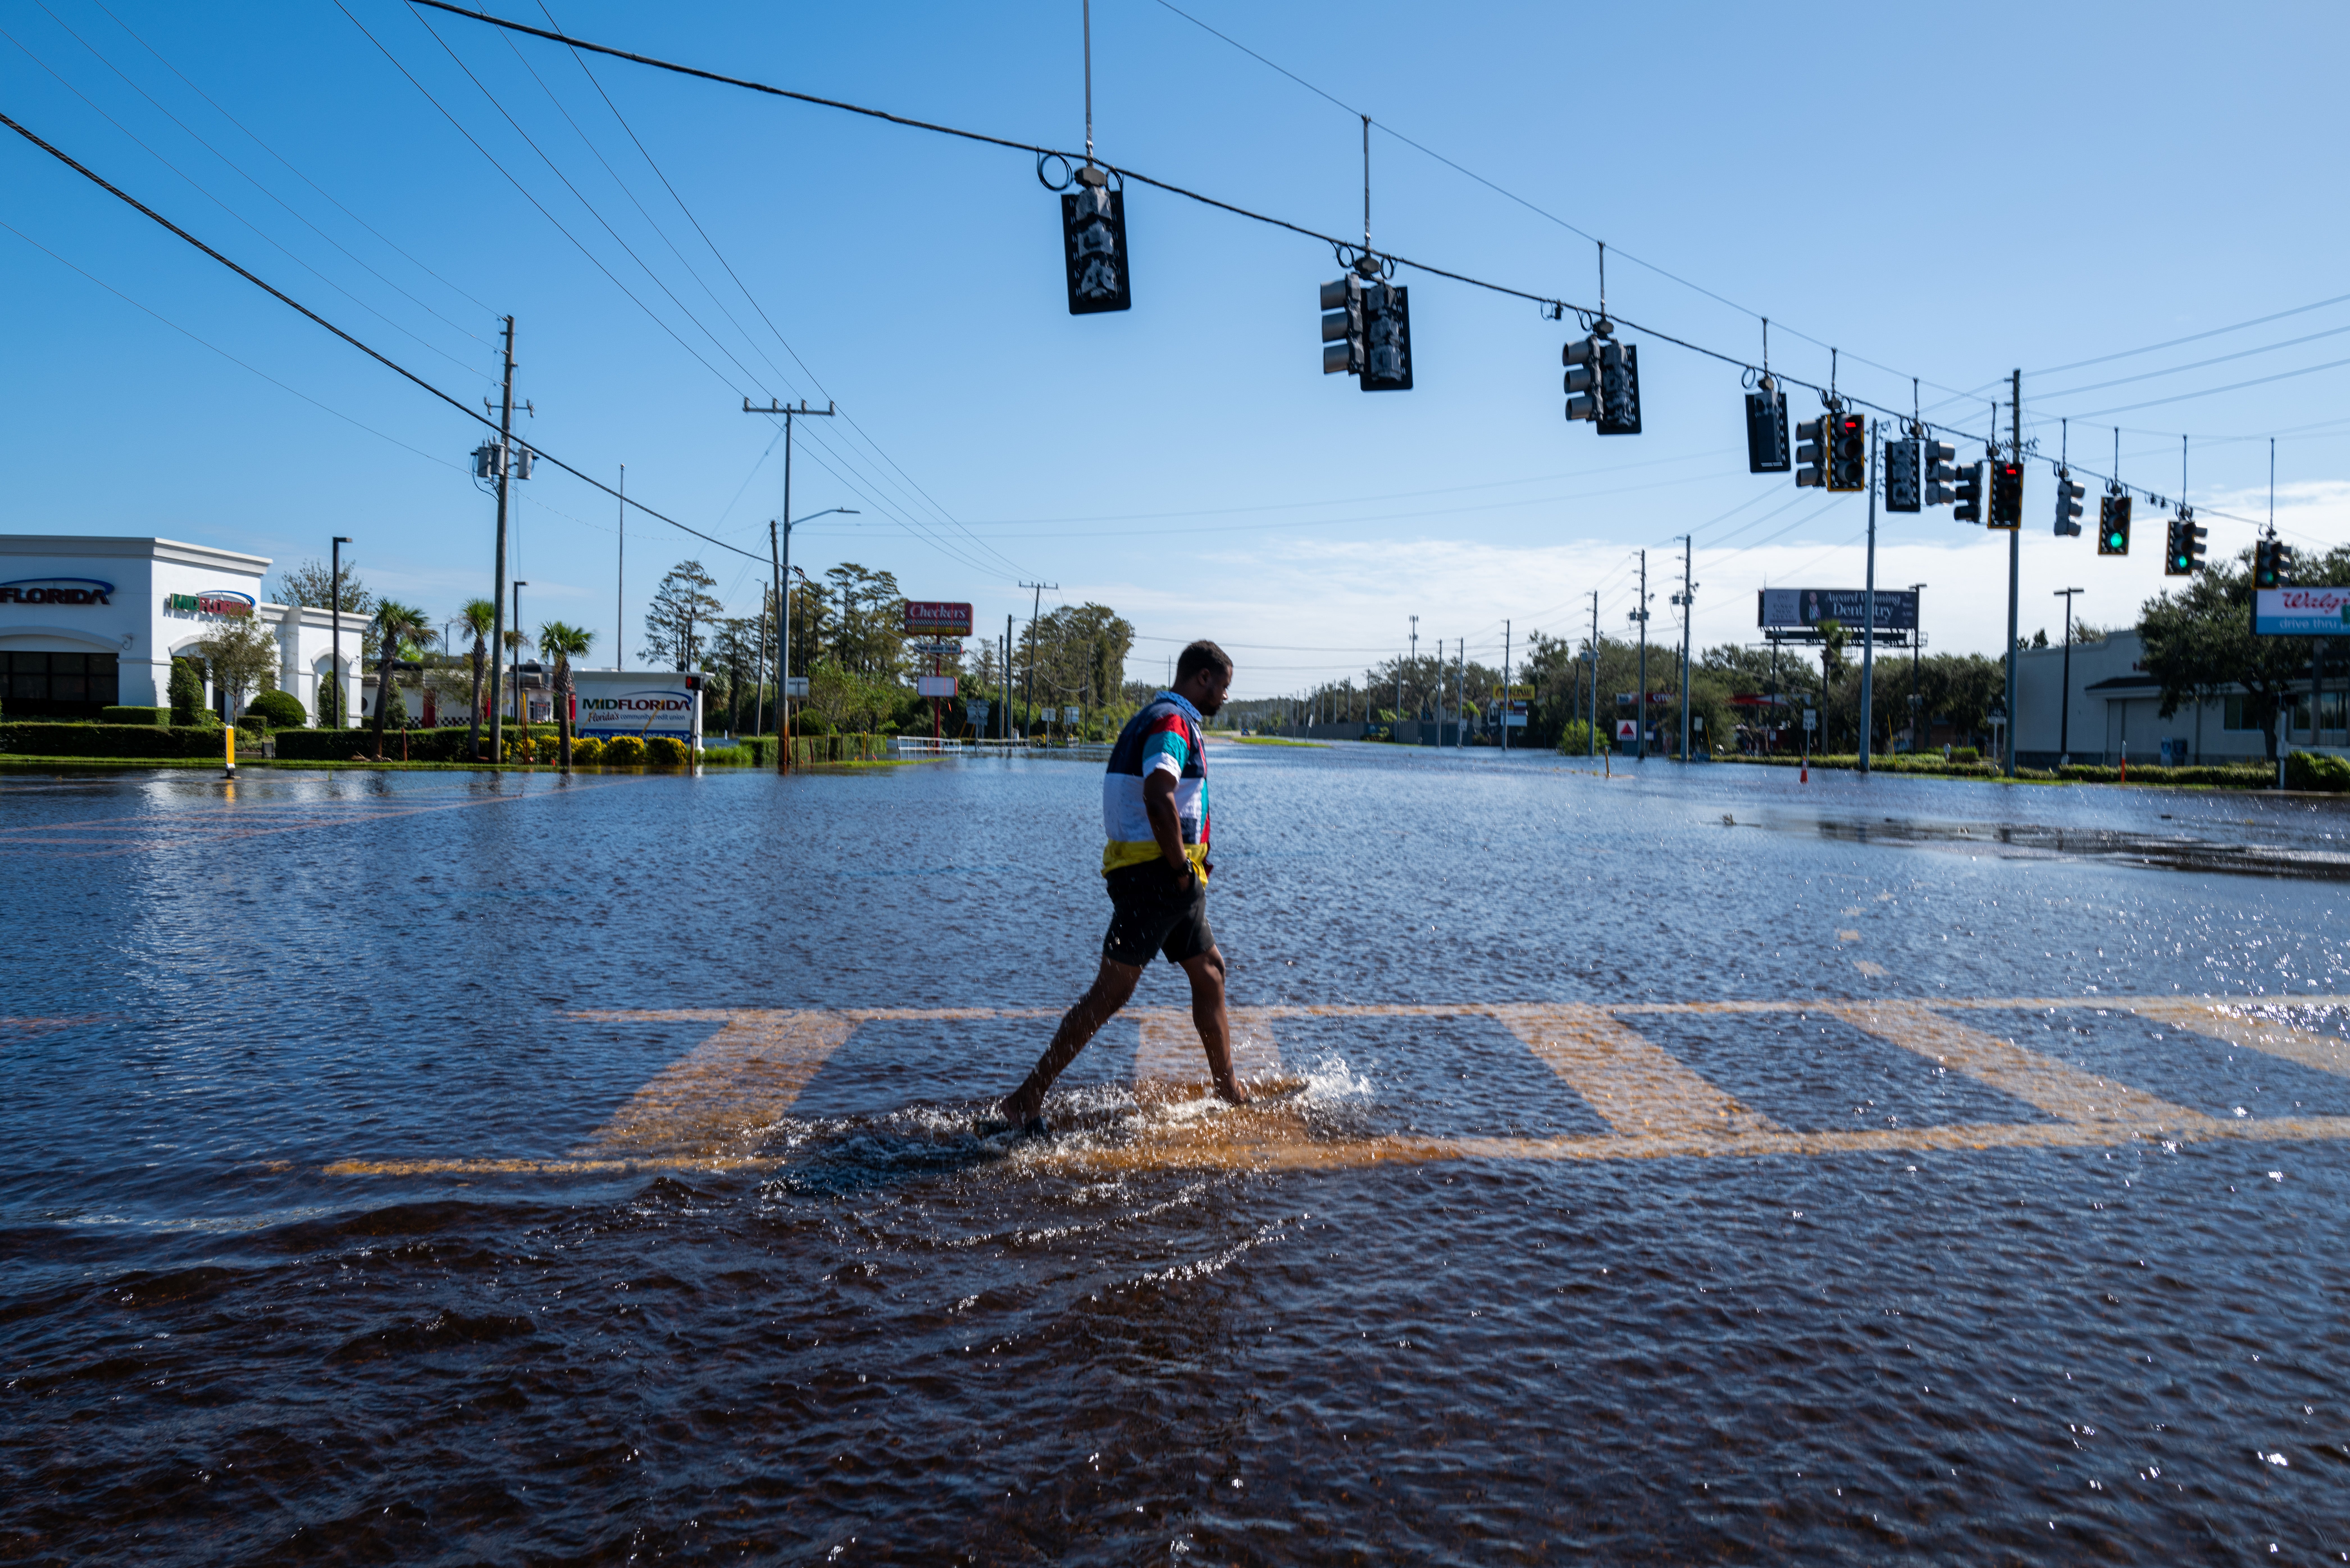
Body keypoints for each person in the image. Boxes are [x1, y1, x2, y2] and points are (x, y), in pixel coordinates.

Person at [996, 640, 1247, 1136]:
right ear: (1201, 679)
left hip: (1168, 879)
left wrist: (1184, 876)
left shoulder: (1151, 716)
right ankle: (1025, 1098)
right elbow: (1159, 795)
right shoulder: (1172, 724)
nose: (1223, 699)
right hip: (1158, 878)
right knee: (1111, 992)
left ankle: (1230, 1094)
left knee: (1211, 973)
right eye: (1222, 687)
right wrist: (1179, 871)